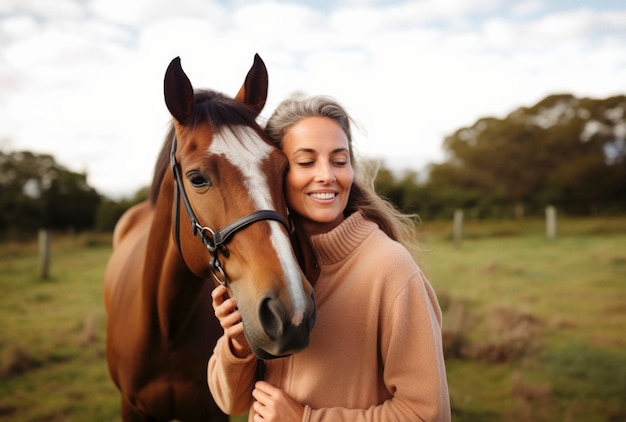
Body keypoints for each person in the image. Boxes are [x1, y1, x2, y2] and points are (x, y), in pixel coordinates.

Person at [208, 94, 451, 421]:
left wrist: (306, 420)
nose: (327, 175)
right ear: (276, 172)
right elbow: (231, 402)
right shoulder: (271, 268)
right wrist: (238, 342)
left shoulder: (390, 267)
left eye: (339, 160)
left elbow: (427, 413)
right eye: (306, 162)